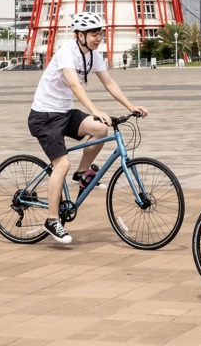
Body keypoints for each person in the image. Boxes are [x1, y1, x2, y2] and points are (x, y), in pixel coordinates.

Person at [27, 12, 148, 244]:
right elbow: (74, 84)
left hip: (64, 113)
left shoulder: (94, 56)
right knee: (61, 163)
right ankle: (52, 220)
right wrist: (94, 110)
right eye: (94, 33)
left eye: (100, 33)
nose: (98, 38)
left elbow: (109, 82)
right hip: (44, 116)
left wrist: (131, 106)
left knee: (101, 130)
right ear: (79, 35)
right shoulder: (66, 53)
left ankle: (82, 175)